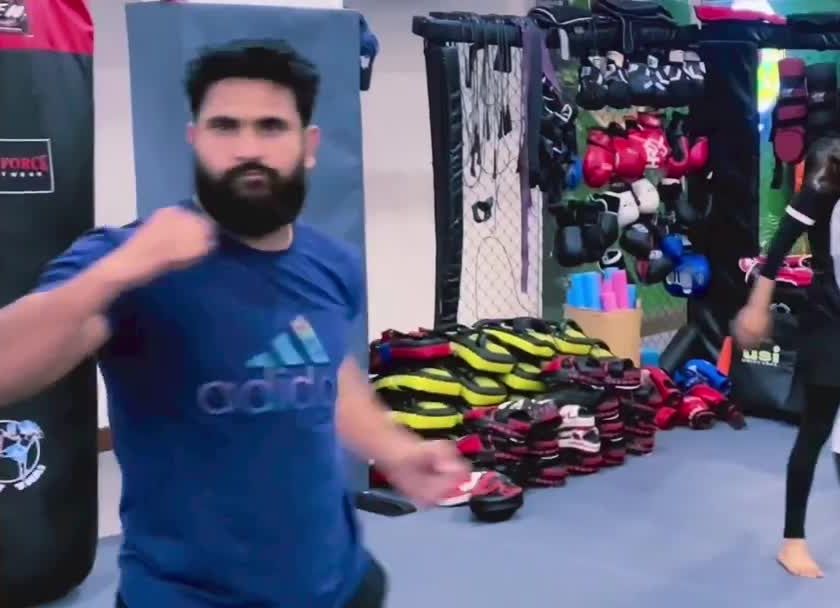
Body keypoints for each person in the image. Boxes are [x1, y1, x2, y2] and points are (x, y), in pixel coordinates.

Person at [0, 39, 470, 607]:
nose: (248, 148)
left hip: (338, 584)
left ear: (308, 146)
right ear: (195, 140)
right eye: (225, 126)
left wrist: (394, 448)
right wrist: (121, 270)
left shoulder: (331, 264)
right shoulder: (128, 261)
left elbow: (327, 373)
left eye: (271, 127)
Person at [733, 136, 840, 579]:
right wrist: (758, 306)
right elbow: (779, 247)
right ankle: (792, 541)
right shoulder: (828, 172)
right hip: (831, 322)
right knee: (817, 428)